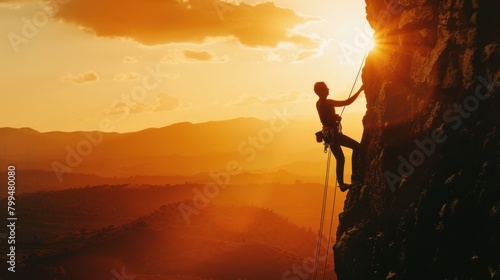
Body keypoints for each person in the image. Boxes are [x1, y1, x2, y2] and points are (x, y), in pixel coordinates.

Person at [314, 81, 364, 192]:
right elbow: (347, 102)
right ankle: (354, 176)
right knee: (357, 147)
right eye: (326, 88)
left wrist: (334, 117)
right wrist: (360, 90)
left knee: (340, 159)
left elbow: (325, 118)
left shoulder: (319, 103)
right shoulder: (327, 103)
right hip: (333, 135)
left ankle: (342, 184)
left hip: (328, 135)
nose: (328, 89)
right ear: (322, 91)